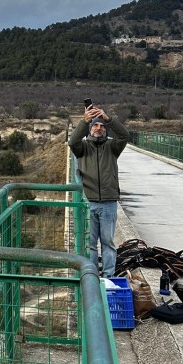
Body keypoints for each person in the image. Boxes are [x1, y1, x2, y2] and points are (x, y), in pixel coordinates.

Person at [68, 102, 129, 277]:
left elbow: (124, 135)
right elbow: (72, 141)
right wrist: (84, 121)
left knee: (108, 242)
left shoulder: (112, 147)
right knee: (90, 243)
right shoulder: (83, 147)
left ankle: (108, 275)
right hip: (89, 201)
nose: (99, 127)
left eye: (102, 126)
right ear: (90, 129)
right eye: (95, 125)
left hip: (109, 202)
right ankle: (92, 274)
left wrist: (108, 118)